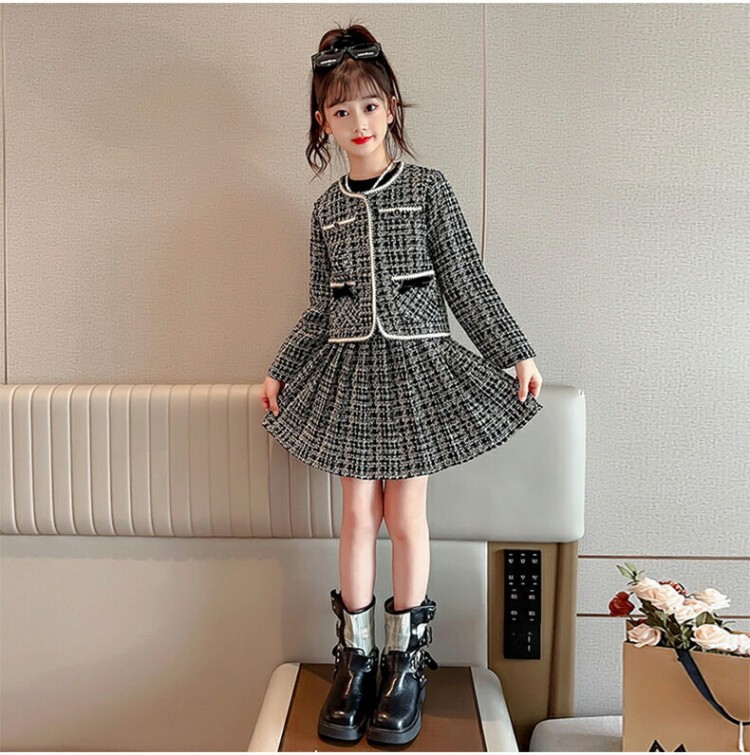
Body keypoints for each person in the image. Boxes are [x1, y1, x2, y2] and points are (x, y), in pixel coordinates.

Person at [259, 23, 544, 746]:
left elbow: (466, 280)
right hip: (351, 373)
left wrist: (513, 351)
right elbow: (320, 308)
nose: (357, 121)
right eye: (340, 109)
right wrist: (281, 367)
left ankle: (405, 663)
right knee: (357, 514)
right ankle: (355, 663)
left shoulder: (428, 189)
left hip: (419, 370)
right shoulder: (326, 210)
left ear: (391, 108)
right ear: (322, 121)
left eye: (369, 105)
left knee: (405, 514)